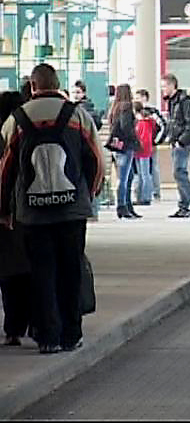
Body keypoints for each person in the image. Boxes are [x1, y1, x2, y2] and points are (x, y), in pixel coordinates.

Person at [0, 64, 104, 354]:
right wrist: (88, 194)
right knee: (71, 270)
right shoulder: (78, 115)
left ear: (33, 86)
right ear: (58, 84)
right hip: (72, 211)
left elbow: (5, 170)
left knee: (41, 272)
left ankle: (48, 336)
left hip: (33, 214)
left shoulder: (16, 120)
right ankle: (72, 334)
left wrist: (6, 208)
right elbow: (96, 160)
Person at [0, 91, 33, 346]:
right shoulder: (17, 134)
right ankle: (15, 328)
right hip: (15, 212)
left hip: (7, 210)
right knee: (15, 272)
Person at [161, 73, 190, 218]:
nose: (163, 90)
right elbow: (172, 122)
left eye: (164, 86)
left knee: (180, 172)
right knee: (178, 173)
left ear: (172, 85)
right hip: (175, 141)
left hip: (182, 143)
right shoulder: (172, 101)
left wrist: (182, 140)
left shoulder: (184, 101)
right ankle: (184, 205)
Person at [108, 84, 141, 220]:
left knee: (128, 176)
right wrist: (135, 139)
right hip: (126, 146)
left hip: (117, 146)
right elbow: (126, 126)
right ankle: (122, 206)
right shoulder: (126, 107)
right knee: (124, 177)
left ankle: (127, 206)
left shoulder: (114, 108)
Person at [134, 89, 166, 201]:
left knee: (151, 169)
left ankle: (153, 193)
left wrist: (156, 141)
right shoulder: (137, 114)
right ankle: (143, 193)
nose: (136, 100)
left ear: (144, 98)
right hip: (143, 145)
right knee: (143, 171)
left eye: (138, 97)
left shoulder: (152, 112)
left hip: (149, 145)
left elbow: (162, 126)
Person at [133, 101, 154, 205]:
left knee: (144, 174)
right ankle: (141, 196)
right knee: (142, 174)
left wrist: (138, 146)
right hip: (141, 151)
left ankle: (145, 197)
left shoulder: (143, 124)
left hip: (142, 151)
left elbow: (144, 139)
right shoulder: (143, 123)